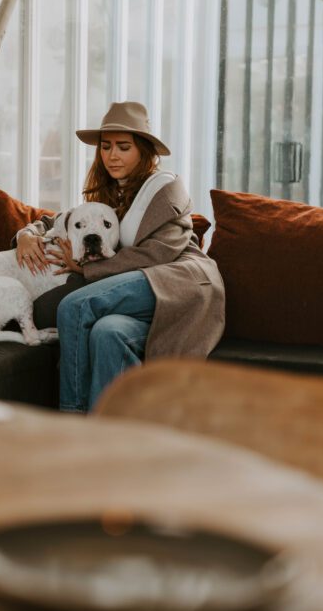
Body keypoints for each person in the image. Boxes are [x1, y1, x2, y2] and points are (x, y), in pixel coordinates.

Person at [15, 102, 225, 413]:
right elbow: (56, 220)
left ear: (143, 151)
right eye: (106, 146)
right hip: (146, 294)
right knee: (107, 332)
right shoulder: (110, 195)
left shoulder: (166, 190)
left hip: (182, 282)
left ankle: (72, 418)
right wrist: (25, 235)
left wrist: (87, 267)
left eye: (123, 147)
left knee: (75, 306)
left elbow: (157, 254)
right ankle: (111, 435)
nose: (112, 155)